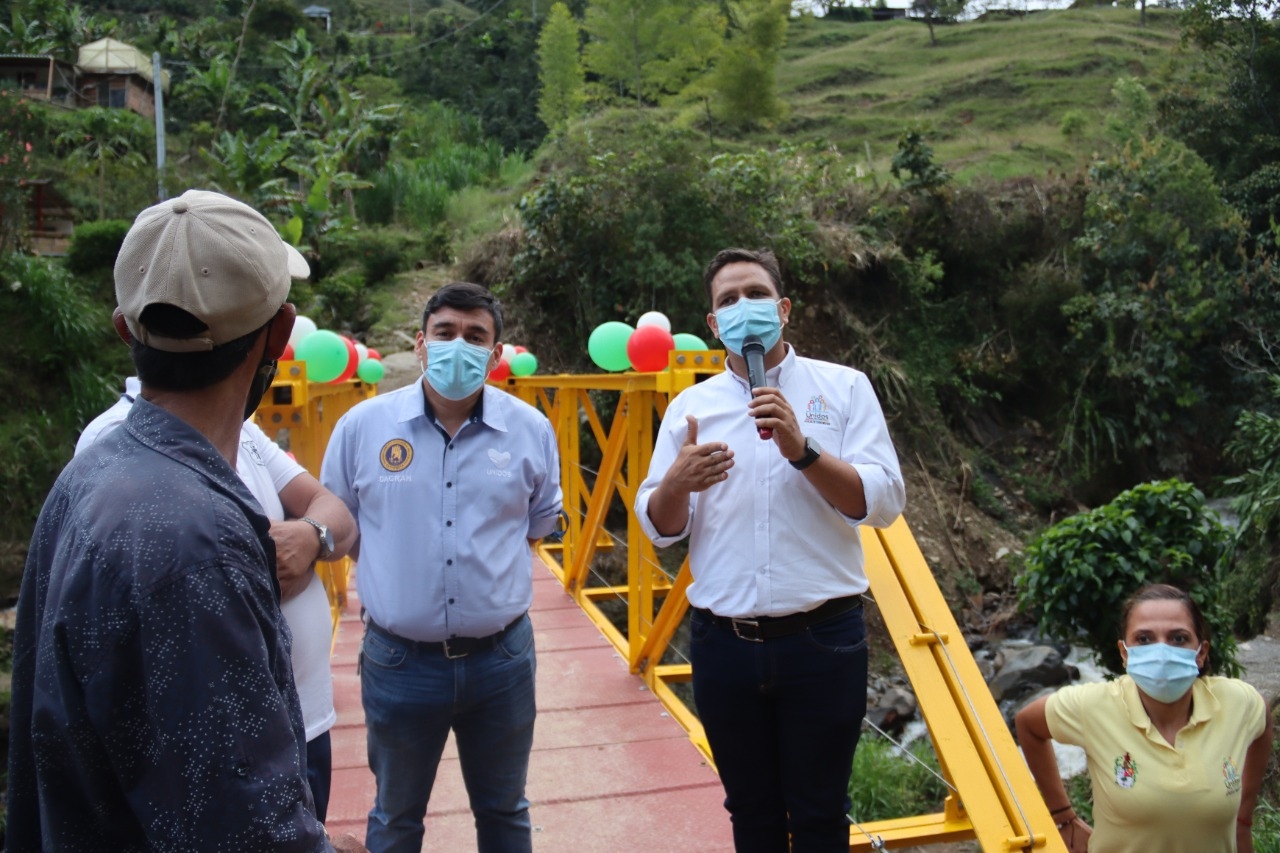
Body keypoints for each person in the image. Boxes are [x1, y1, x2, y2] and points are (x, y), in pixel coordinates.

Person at [6, 190, 334, 850]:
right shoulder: (194, 536)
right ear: (278, 332)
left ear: (126, 327)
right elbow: (249, 830)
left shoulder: (91, 475)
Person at [636, 247, 907, 852]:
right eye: (727, 301)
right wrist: (677, 484)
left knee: (819, 815)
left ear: (783, 308)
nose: (742, 309)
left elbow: (884, 501)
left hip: (823, 641)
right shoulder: (690, 407)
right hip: (722, 643)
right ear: (712, 325)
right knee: (751, 814)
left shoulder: (843, 388)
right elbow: (659, 526)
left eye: (755, 294)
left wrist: (803, 450)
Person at [321, 281, 563, 853]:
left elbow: (539, 522)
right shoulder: (362, 427)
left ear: (496, 353)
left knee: (504, 811)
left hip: (501, 658)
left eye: (476, 336)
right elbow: (341, 523)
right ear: (421, 343)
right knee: (396, 815)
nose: (460, 345)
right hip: (399, 658)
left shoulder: (531, 429)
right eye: (446, 333)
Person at [75, 387, 356, 823]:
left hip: (306, 718)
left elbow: (335, 514)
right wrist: (264, 565)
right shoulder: (116, 438)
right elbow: (181, 583)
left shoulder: (243, 427)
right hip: (229, 744)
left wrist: (310, 536)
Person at [1016, 583, 1274, 853]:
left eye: (1178, 638)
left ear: (1201, 652)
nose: (1161, 651)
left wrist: (1243, 819)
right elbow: (1028, 724)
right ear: (1124, 652)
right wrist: (1062, 815)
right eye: (1144, 639)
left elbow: (1263, 719)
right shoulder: (1094, 706)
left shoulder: (1235, 702)